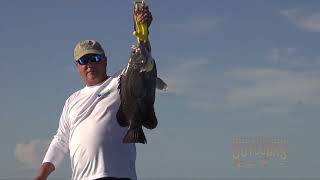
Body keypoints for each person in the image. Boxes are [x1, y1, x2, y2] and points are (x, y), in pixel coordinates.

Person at [34, 7, 153, 180]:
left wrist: (143, 31)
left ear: (105, 61)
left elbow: (141, 59)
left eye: (95, 58)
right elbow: (60, 141)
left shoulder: (120, 80)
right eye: (84, 60)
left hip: (119, 176)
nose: (90, 64)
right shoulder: (71, 101)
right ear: (77, 67)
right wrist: (41, 176)